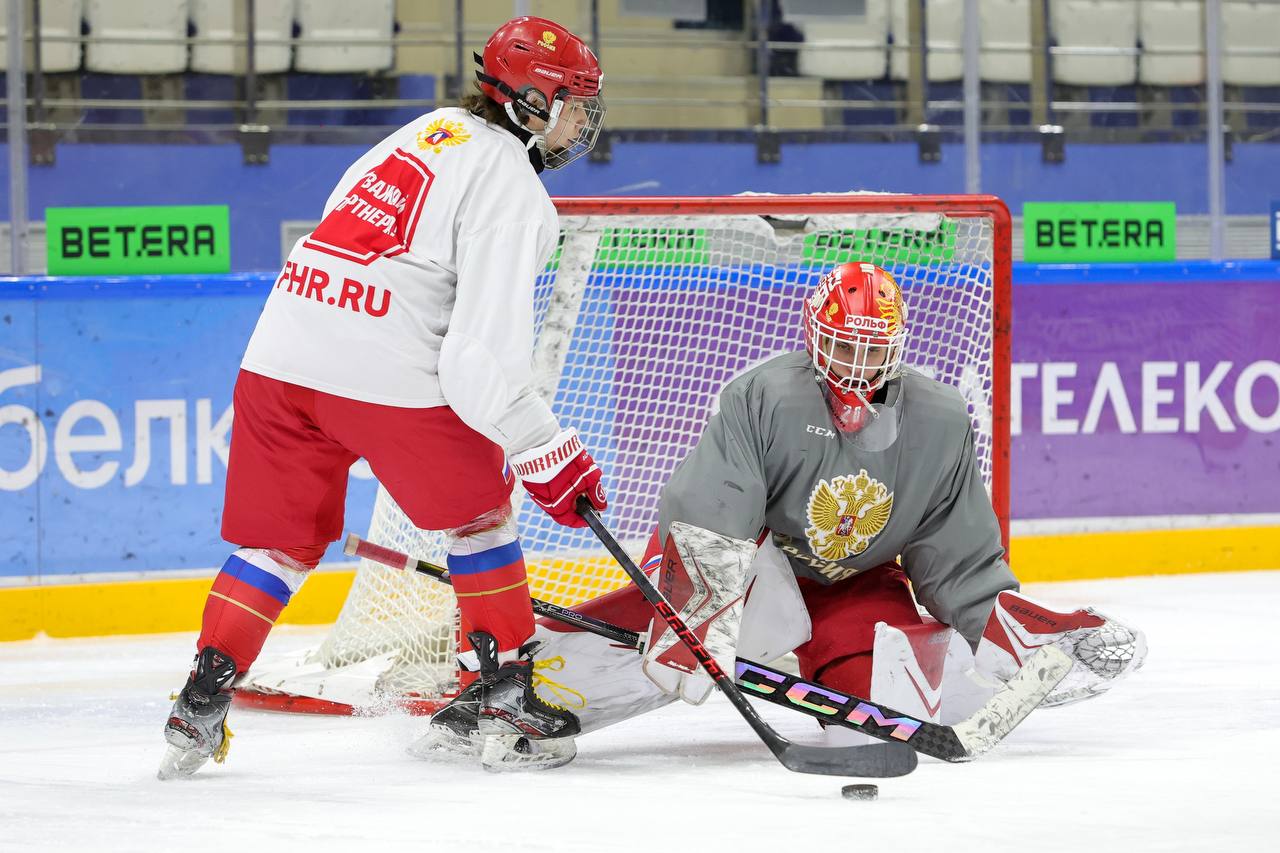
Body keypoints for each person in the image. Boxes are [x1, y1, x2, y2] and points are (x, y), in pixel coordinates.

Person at [419, 260, 1148, 764]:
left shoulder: (941, 420)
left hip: (855, 584)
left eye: (870, 350)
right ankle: (508, 697)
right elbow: (712, 508)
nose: (855, 367)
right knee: (672, 642)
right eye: (840, 346)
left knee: (883, 716)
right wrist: (699, 609)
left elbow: (954, 554)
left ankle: (981, 654)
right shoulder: (763, 395)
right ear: (812, 335)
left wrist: (1006, 621)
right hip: (750, 572)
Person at [158, 16, 609, 780]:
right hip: (382, 369)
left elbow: (344, 227)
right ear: (531, 103)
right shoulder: (512, 185)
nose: (581, 123)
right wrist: (544, 447)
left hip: (279, 358)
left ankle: (200, 697)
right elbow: (478, 360)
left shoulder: (423, 131)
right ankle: (502, 701)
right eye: (573, 104)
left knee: (276, 545)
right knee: (480, 518)